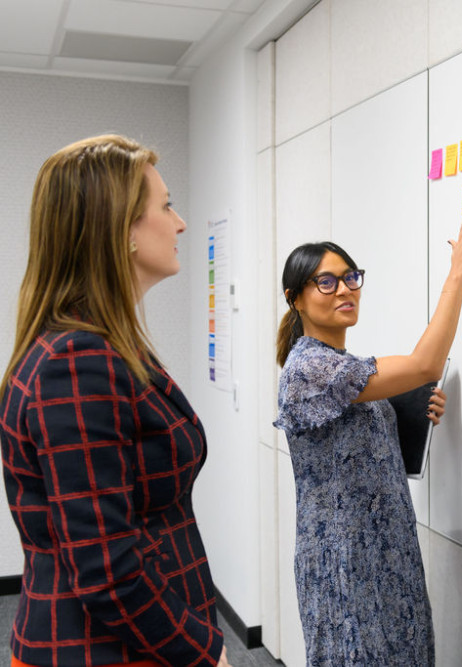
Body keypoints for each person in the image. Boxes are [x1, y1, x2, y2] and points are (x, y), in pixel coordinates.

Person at [0, 135, 230, 666]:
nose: (180, 223)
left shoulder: (98, 346)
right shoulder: (76, 363)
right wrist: (206, 654)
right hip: (109, 650)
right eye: (167, 205)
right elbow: (106, 568)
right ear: (121, 229)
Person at [273, 208, 462, 665]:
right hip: (345, 556)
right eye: (326, 282)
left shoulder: (344, 365)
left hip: (386, 546)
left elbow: (361, 444)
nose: (344, 289)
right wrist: (458, 274)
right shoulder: (310, 367)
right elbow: (425, 364)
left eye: (350, 277)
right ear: (296, 299)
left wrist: (415, 413)